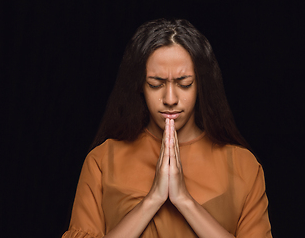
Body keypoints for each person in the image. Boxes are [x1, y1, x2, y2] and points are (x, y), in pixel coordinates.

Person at [62, 18, 272, 238]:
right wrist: (153, 199)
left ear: (201, 85)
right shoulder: (103, 161)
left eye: (184, 83)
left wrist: (184, 200)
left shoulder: (243, 166)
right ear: (140, 85)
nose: (170, 99)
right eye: (155, 84)